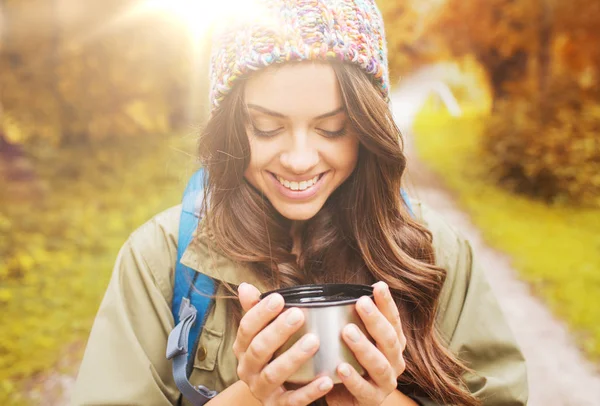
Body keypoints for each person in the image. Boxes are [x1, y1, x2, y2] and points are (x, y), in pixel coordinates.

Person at [72, 0, 528, 405]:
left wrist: (382, 400)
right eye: (266, 128)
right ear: (231, 126)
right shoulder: (161, 257)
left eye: (332, 129)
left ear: (367, 128)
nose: (299, 160)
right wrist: (251, 396)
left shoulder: (433, 253)